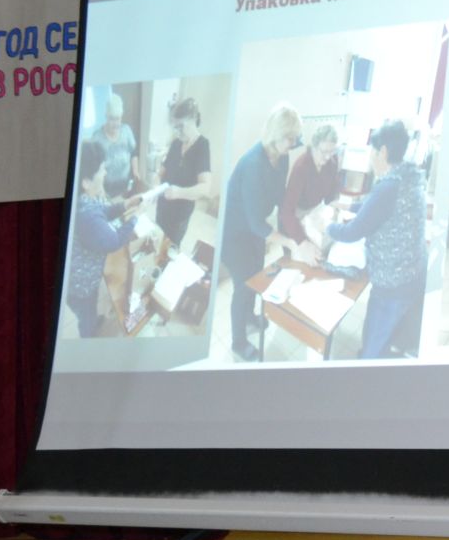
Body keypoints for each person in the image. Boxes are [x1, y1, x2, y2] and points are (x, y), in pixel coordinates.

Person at [321, 120, 426, 360]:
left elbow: (352, 233)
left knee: (374, 341)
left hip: (394, 280)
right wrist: (348, 205)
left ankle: (367, 372)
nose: (370, 158)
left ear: (383, 152)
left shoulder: (389, 186)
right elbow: (374, 206)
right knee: (387, 332)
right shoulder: (408, 175)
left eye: (372, 152)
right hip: (413, 272)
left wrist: (327, 226)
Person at [220, 103, 302, 362]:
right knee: (244, 285)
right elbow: (257, 224)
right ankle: (238, 342)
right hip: (234, 233)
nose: (294, 143)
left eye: (295, 138)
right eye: (291, 138)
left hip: (252, 229)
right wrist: (288, 240)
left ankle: (250, 317)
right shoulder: (254, 164)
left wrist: (292, 232)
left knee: (258, 274)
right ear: (276, 136)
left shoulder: (282, 155)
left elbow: (280, 198)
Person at [66, 140, 145, 338]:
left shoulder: (85, 199)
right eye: (101, 170)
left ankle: (91, 320)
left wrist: (125, 205)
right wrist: (136, 216)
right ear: (85, 182)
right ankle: (88, 335)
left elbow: (103, 210)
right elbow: (114, 240)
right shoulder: (85, 215)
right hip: (80, 285)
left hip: (82, 282)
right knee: (85, 316)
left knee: (89, 309)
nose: (105, 173)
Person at [154, 95, 214, 249]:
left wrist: (179, 192)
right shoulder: (176, 143)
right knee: (157, 241)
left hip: (179, 214)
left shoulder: (202, 146)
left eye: (181, 126)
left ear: (193, 119)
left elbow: (205, 189)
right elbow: (162, 171)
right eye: (175, 127)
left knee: (170, 248)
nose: (177, 131)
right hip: (162, 207)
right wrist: (156, 181)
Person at [279, 123, 342, 247]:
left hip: (315, 210)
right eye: (324, 151)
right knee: (306, 250)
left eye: (332, 151)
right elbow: (287, 211)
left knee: (327, 243)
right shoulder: (301, 167)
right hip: (295, 215)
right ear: (313, 146)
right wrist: (302, 241)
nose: (328, 156)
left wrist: (335, 212)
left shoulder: (332, 162)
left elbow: (332, 194)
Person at [89, 92, 139, 198]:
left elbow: (134, 152)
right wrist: (100, 190)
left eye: (118, 119)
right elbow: (93, 167)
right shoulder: (97, 137)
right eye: (112, 118)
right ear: (106, 116)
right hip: (106, 190)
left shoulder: (127, 131)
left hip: (126, 187)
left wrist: (135, 171)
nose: (115, 123)